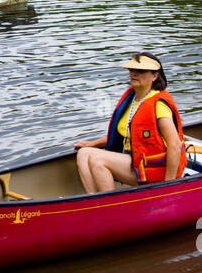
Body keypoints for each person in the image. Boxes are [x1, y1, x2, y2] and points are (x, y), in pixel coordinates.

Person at [73, 53, 186, 192]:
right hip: (134, 161)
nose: (134, 74)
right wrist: (92, 144)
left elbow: (174, 145)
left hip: (155, 169)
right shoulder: (132, 98)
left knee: (97, 160)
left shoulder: (158, 105)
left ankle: (111, 205)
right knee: (83, 153)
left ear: (155, 76)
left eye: (141, 71)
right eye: (132, 70)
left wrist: (169, 185)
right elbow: (127, 134)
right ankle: (93, 201)